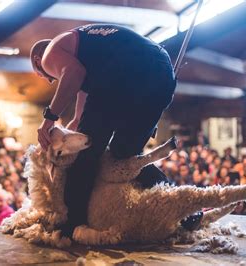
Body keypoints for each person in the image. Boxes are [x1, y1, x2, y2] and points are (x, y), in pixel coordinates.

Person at [32, 24, 177, 236]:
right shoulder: (88, 47)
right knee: (124, 156)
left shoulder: (51, 51)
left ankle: (72, 227)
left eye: (43, 75)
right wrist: (73, 125)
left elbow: (73, 73)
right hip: (161, 71)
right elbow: (82, 102)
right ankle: (179, 204)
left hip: (122, 72)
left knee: (86, 156)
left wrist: (49, 119)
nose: (48, 79)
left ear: (38, 61)